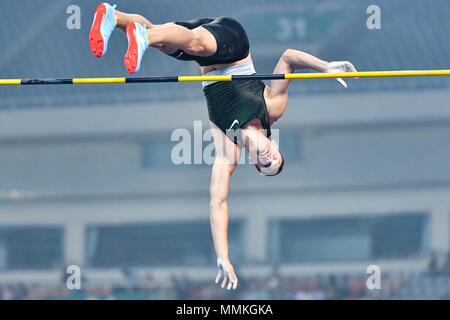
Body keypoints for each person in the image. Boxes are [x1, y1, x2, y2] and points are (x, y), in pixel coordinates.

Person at [89, 3, 357, 290]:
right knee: (192, 42)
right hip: (232, 43)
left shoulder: (228, 149)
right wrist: (324, 66)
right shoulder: (273, 108)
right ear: (274, 144)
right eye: (276, 156)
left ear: (255, 163)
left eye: (266, 165)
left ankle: (111, 18)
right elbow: (289, 57)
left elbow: (218, 203)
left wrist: (223, 257)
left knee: (164, 39)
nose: (269, 157)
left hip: (205, 56)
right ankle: (143, 39)